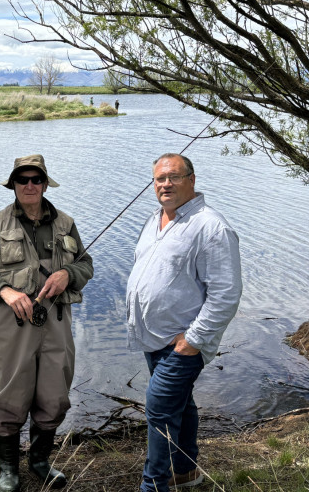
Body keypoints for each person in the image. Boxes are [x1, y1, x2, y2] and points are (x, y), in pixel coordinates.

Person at [0, 154, 94, 492]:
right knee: (10, 396)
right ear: (13, 184)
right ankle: (8, 470)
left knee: (54, 394)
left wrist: (69, 273)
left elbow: (87, 265)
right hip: (12, 327)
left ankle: (39, 462)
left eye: (35, 179)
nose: (29, 185)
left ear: (44, 183)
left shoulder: (66, 223)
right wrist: (6, 291)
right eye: (22, 179)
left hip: (56, 323)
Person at [125, 154, 242, 491]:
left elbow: (226, 292)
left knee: (159, 410)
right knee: (180, 403)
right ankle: (187, 471)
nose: (166, 184)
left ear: (192, 180)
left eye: (174, 177)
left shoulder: (211, 226)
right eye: (160, 178)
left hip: (183, 343)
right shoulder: (156, 219)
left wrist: (194, 340)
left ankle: (154, 485)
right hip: (154, 339)